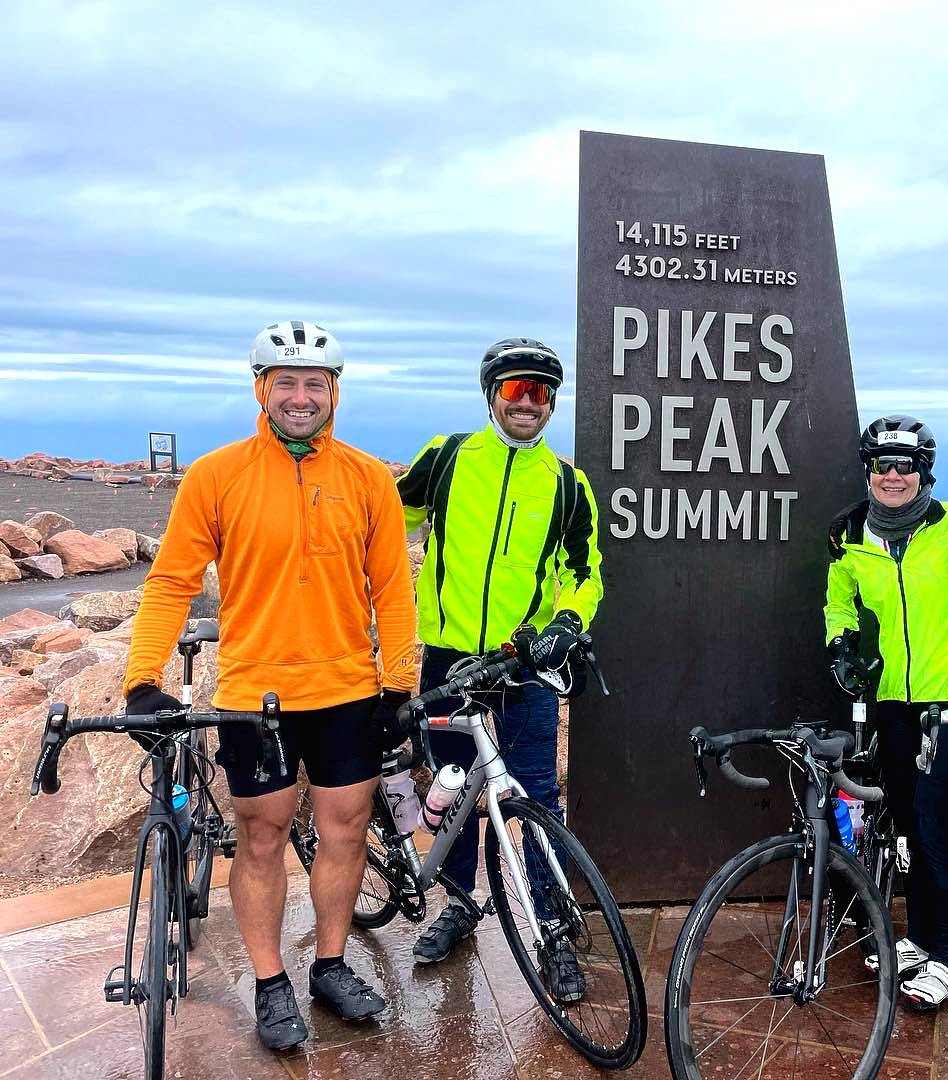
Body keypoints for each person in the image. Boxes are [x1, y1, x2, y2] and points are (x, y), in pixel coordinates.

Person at [122, 321, 417, 1050]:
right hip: (258, 694)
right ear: (261, 387)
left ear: (334, 393)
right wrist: (140, 681)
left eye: (314, 382)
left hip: (347, 686)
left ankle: (328, 963)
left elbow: (393, 590)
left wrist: (398, 685)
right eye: (285, 380)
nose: (299, 395)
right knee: (261, 837)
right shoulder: (217, 475)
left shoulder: (368, 476)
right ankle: (269, 982)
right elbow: (170, 584)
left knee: (345, 832)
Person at [396, 337, 602, 995]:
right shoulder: (448, 458)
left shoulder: (568, 485)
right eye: (516, 390)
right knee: (453, 781)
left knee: (536, 794)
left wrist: (567, 623)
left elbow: (585, 571)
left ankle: (551, 923)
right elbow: (382, 520)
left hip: (523, 664)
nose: (528, 403)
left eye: (540, 393)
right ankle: (460, 904)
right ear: (492, 395)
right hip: (452, 658)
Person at [824, 415, 948, 1009]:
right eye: (882, 465)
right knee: (902, 820)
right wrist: (840, 646)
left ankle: (945, 955)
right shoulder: (849, 537)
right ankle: (918, 938)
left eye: (907, 466)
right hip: (892, 701)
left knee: (932, 819)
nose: (894, 476)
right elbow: (838, 602)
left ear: (926, 472)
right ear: (867, 470)